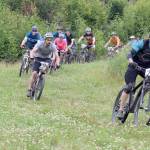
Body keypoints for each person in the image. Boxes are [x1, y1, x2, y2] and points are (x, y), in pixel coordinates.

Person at [116, 35, 150, 118]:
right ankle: (120, 109)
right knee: (129, 86)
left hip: (146, 69)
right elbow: (130, 53)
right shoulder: (143, 43)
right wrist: (131, 62)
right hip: (134, 66)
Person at [27, 32, 59, 97]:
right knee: (34, 73)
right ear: (45, 39)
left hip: (47, 59)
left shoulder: (53, 46)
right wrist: (31, 57)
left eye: (50, 39)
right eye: (48, 39)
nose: (49, 41)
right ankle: (29, 89)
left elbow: (57, 56)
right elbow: (33, 50)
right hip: (38, 58)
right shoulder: (40, 43)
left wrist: (57, 63)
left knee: (43, 71)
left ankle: (40, 79)